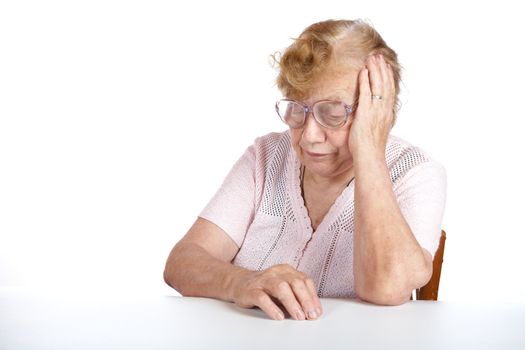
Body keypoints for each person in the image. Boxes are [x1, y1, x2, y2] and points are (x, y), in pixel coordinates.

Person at [163, 19, 446, 321]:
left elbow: (387, 288)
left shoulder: (415, 172)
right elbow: (182, 262)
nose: (309, 135)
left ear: (376, 112)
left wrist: (369, 150)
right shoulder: (267, 155)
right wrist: (242, 281)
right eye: (298, 108)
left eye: (333, 112)